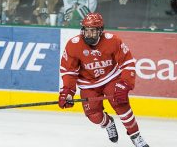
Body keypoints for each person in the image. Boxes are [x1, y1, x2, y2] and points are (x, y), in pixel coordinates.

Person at [58, 13, 149, 147]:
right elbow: (69, 71)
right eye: (86, 30)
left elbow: (128, 63)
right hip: (88, 85)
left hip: (110, 78)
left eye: (93, 31)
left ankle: (136, 136)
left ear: (100, 31)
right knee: (94, 116)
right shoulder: (73, 45)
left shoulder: (113, 41)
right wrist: (68, 91)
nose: (89, 34)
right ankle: (108, 123)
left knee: (121, 105)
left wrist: (125, 83)